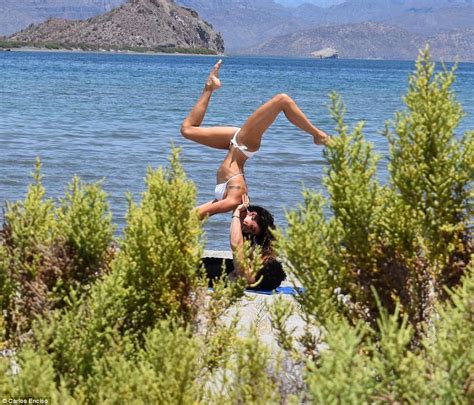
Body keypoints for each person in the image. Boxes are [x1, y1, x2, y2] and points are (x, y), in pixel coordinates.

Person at [180, 59, 331, 234]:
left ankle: (210, 86)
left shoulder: (232, 204)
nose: (245, 225)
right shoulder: (234, 201)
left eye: (248, 230)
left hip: (233, 144)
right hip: (244, 144)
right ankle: (318, 135)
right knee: (282, 100)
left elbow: (196, 214)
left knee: (187, 130)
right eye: (251, 224)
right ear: (253, 214)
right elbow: (196, 214)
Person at [228, 194, 286, 290]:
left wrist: (236, 212)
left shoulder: (248, 274)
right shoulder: (252, 273)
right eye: (251, 229)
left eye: (251, 229)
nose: (247, 230)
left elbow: (236, 245)